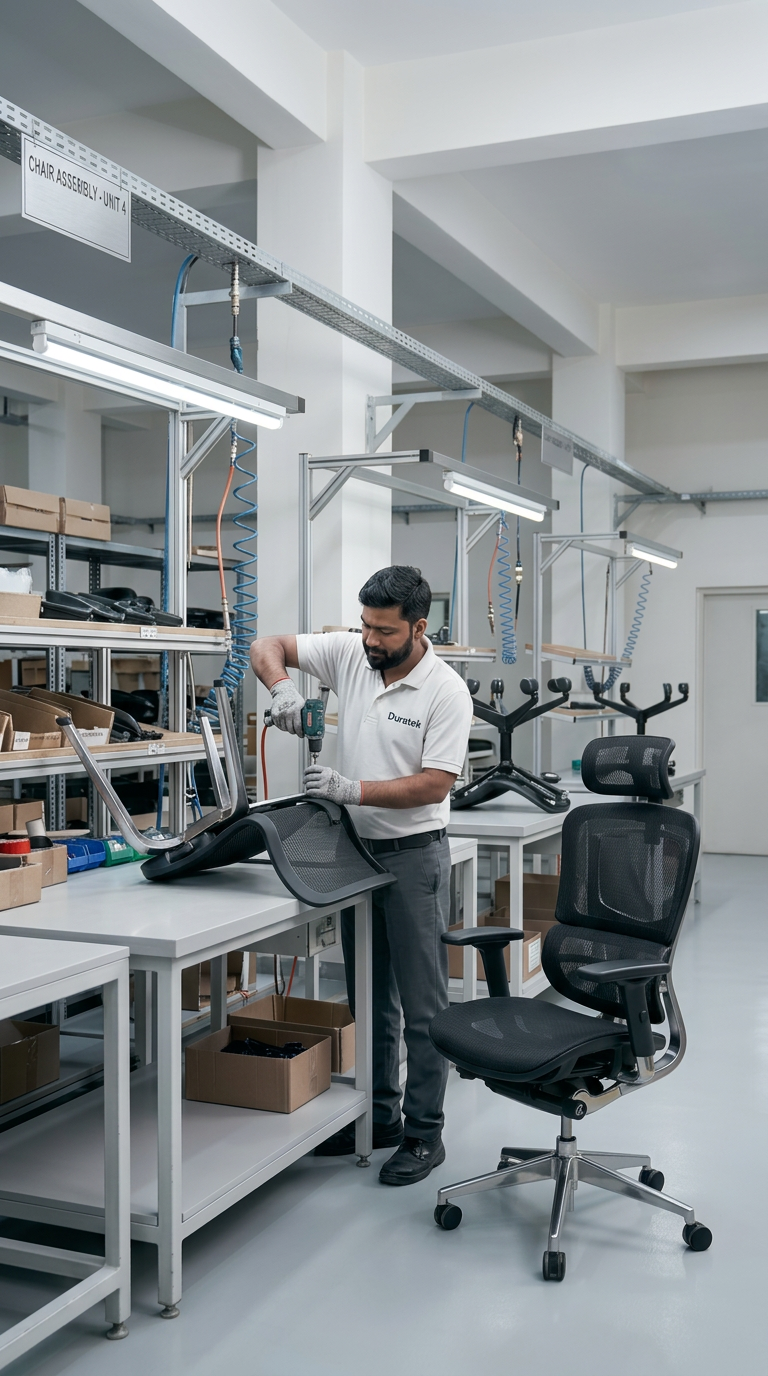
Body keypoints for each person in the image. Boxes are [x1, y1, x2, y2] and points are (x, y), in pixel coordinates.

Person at [250, 565, 473, 1185]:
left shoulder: (446, 692)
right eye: (366, 625)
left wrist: (355, 789)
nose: (370, 640)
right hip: (352, 853)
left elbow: (436, 782)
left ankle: (426, 1134)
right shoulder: (352, 650)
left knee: (424, 1006)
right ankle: (380, 1117)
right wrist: (281, 690)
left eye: (384, 630)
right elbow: (267, 645)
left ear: (419, 627)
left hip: (412, 855)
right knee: (369, 996)